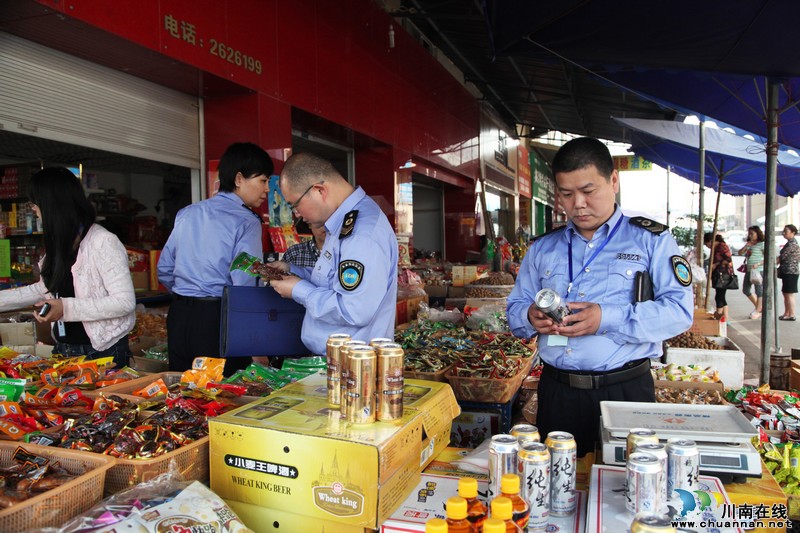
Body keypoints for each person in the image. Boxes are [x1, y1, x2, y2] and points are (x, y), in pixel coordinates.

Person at [506, 137, 693, 457]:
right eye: (566, 194)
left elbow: (679, 311)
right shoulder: (544, 247)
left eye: (588, 191)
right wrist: (529, 316)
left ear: (614, 181)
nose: (578, 203)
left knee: (629, 479)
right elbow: (515, 307)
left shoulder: (651, 240)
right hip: (558, 392)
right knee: (558, 479)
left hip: (625, 391)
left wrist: (606, 318)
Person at [0, 167, 136, 367]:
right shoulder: (60, 243)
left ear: (51, 204)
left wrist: (65, 307)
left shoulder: (103, 242)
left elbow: (124, 302)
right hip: (64, 349)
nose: (33, 209)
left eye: (35, 203)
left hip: (102, 352)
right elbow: (44, 289)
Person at [158, 142, 273, 371]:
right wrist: (255, 341)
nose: (267, 189)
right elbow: (244, 284)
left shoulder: (188, 213)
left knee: (182, 389)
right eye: (263, 180)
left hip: (179, 316)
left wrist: (188, 295)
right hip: (217, 320)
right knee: (222, 391)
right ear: (239, 179)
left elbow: (164, 268)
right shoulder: (246, 221)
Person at [268, 153, 398, 355]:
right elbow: (332, 282)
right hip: (339, 359)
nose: (297, 215)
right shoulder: (341, 223)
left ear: (319, 190)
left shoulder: (361, 234)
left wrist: (299, 290)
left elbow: (354, 310)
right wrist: (292, 271)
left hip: (352, 364)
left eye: (295, 205)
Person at [705, 232, 734, 320]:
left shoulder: (722, 246)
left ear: (711, 241)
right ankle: (725, 318)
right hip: (718, 274)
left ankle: (719, 315)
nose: (707, 246)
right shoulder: (716, 248)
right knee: (720, 295)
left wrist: (716, 264)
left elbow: (728, 259)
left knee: (719, 296)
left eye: (706, 244)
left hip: (723, 274)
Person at [738, 225, 765, 319]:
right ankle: (759, 307)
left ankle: (758, 310)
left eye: (752, 233)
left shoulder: (762, 244)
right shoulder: (749, 244)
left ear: (758, 234)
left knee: (759, 291)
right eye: (749, 234)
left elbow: (767, 257)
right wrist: (747, 246)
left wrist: (758, 264)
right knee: (746, 289)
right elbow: (740, 253)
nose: (750, 235)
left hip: (758, 270)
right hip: (749, 270)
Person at [778, 224, 800, 321]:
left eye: (786, 231)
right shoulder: (790, 243)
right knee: (785, 293)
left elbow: (783, 256)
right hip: (787, 271)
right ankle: (787, 313)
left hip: (791, 272)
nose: (783, 233)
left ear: (793, 233)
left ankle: (791, 314)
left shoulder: (792, 244)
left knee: (789, 293)